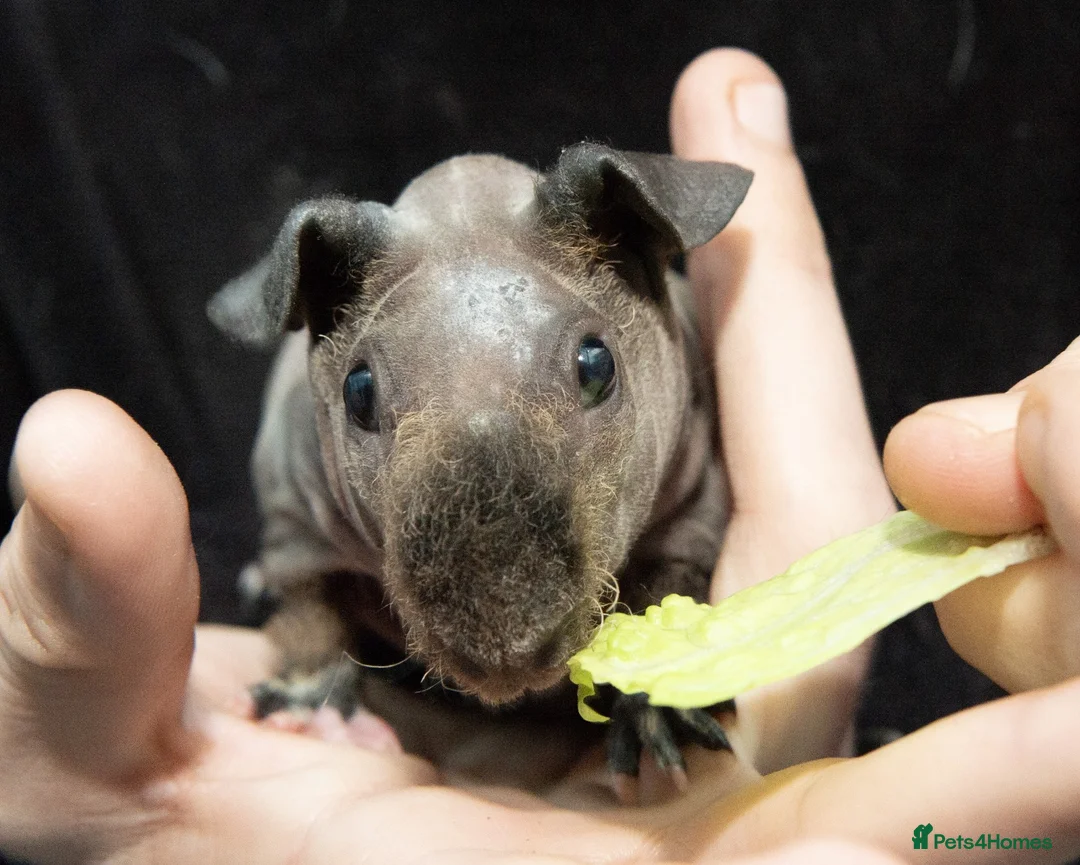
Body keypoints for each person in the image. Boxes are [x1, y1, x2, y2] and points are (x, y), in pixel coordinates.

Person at [1, 48, 1078, 865]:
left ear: (640, 262)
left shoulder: (675, 387)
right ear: (323, 326)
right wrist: (309, 646)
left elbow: (689, 523)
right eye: (364, 397)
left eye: (593, 368)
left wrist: (680, 674)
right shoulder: (306, 431)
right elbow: (301, 549)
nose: (512, 644)